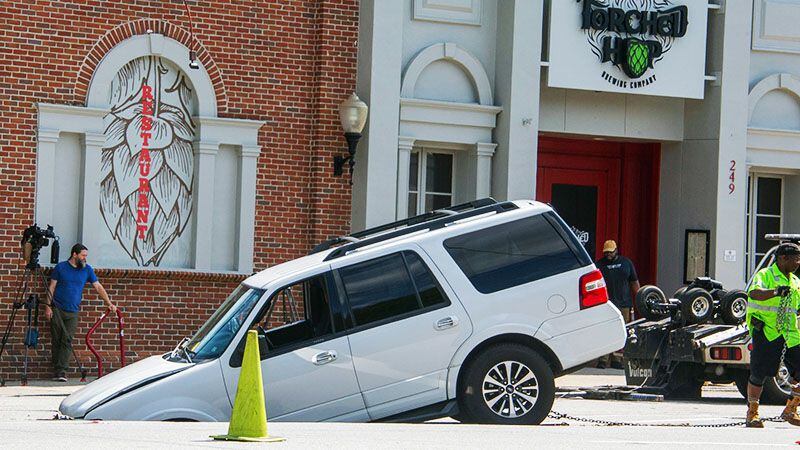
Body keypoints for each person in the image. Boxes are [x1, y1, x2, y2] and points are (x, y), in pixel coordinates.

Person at [744, 242, 800, 428]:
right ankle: (752, 412)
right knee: (759, 374)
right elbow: (754, 293)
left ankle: (791, 409)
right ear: (783, 258)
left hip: (790, 334)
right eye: (796, 259)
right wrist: (776, 292)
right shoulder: (765, 275)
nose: (798, 263)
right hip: (767, 331)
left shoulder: (795, 281)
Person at [45, 244, 116, 382]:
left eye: (86, 256)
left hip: (73, 311)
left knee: (67, 339)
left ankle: (61, 371)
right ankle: (57, 368)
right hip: (57, 309)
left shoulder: (87, 270)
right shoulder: (61, 268)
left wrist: (109, 303)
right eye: (83, 255)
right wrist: (47, 306)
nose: (85, 258)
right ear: (74, 254)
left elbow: (98, 286)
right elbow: (51, 287)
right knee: (56, 339)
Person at [595, 240, 640, 369]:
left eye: (611, 251)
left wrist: (639, 298)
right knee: (605, 332)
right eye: (606, 252)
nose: (608, 254)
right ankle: (603, 360)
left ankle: (617, 360)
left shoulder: (626, 263)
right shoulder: (599, 265)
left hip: (624, 304)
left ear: (616, 250)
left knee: (622, 332)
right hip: (606, 304)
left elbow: (634, 282)